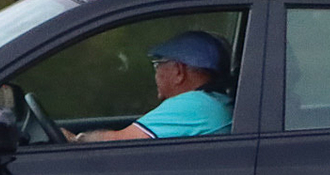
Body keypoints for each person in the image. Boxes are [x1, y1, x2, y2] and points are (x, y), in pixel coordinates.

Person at [71, 31, 233, 141]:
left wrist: (73, 140)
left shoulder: (193, 105)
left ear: (179, 71)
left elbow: (120, 143)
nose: (155, 73)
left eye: (157, 65)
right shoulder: (216, 101)